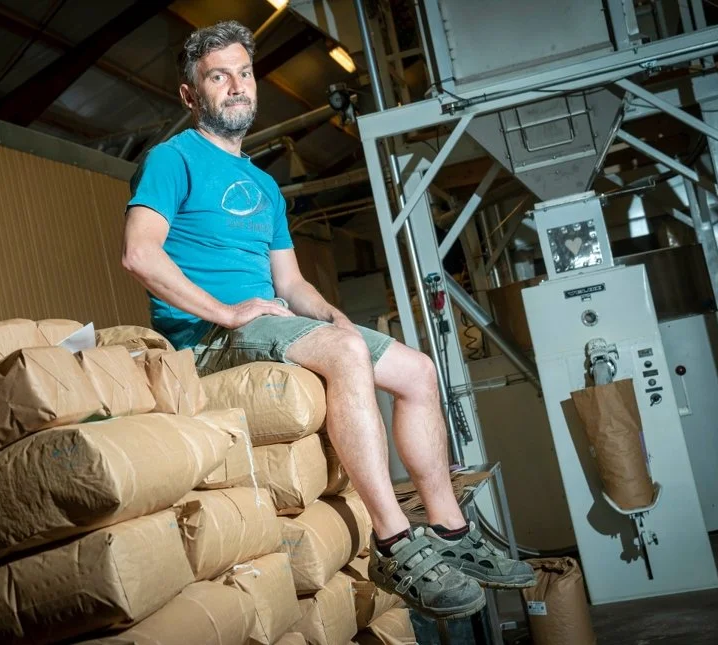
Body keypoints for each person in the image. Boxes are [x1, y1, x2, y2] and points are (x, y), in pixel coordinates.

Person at [121, 20, 534, 619]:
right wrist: (225, 312)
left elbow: (290, 283)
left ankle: (449, 529)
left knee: (416, 370)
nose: (236, 86)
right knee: (347, 357)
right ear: (191, 96)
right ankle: (394, 542)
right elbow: (140, 253)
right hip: (212, 336)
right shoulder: (171, 159)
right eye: (218, 77)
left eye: (243, 73)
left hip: (271, 318)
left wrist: (340, 322)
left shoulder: (264, 184)